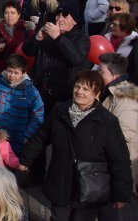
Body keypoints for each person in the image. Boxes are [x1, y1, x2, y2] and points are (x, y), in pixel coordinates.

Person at [20, 70, 133, 220]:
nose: (79, 92)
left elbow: (120, 159)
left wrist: (121, 193)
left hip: (88, 187)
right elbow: (42, 136)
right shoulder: (60, 110)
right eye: (77, 87)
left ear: (96, 93)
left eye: (86, 89)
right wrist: (26, 159)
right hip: (60, 182)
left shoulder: (106, 121)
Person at [21, 1, 90, 112]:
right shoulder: (48, 34)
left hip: (61, 96)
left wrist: (58, 37)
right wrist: (37, 37)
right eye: (58, 14)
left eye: (65, 15)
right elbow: (27, 51)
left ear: (75, 21)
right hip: (38, 90)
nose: (60, 19)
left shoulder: (81, 39)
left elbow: (76, 59)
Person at [0, 54, 44, 156]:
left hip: (16, 143)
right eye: (9, 71)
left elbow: (37, 116)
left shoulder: (32, 92)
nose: (12, 75)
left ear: (24, 73)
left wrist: (26, 136)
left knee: (10, 169)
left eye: (16, 73)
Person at [97, 53, 138, 193]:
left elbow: (124, 137)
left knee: (106, 211)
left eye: (101, 71)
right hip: (106, 166)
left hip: (113, 170)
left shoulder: (125, 97)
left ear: (114, 76)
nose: (97, 74)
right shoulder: (110, 92)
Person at [0, 2, 34, 79]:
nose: (9, 16)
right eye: (6, 13)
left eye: (13, 13)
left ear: (19, 15)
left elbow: (32, 53)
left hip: (19, 74)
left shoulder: (27, 29)